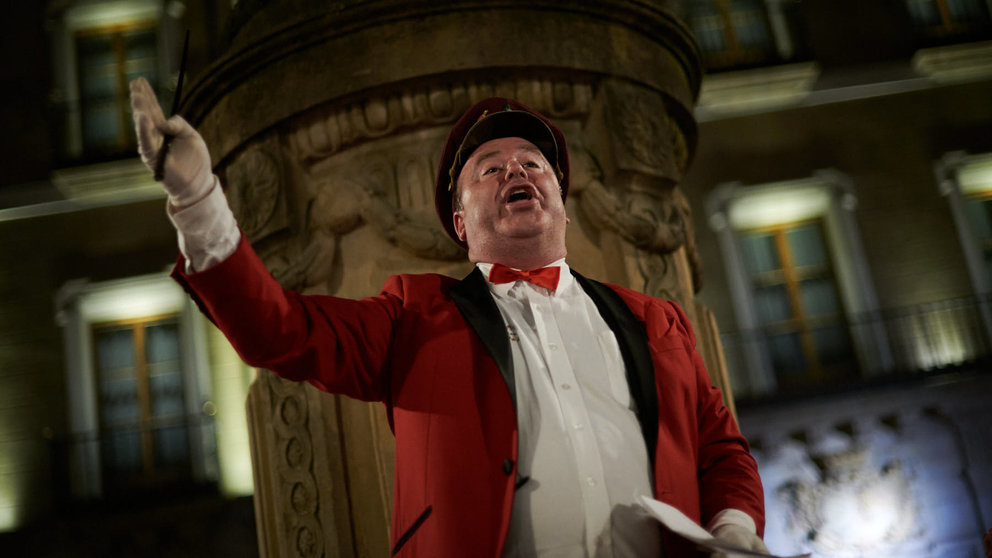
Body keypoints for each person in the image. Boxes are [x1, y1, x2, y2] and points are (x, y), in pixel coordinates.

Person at [130, 76, 767, 557]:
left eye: (532, 164)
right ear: (461, 222)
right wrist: (196, 198)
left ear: (562, 205)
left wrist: (733, 531)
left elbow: (722, 451)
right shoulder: (415, 315)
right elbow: (282, 331)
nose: (516, 170)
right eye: (491, 169)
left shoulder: (656, 320)